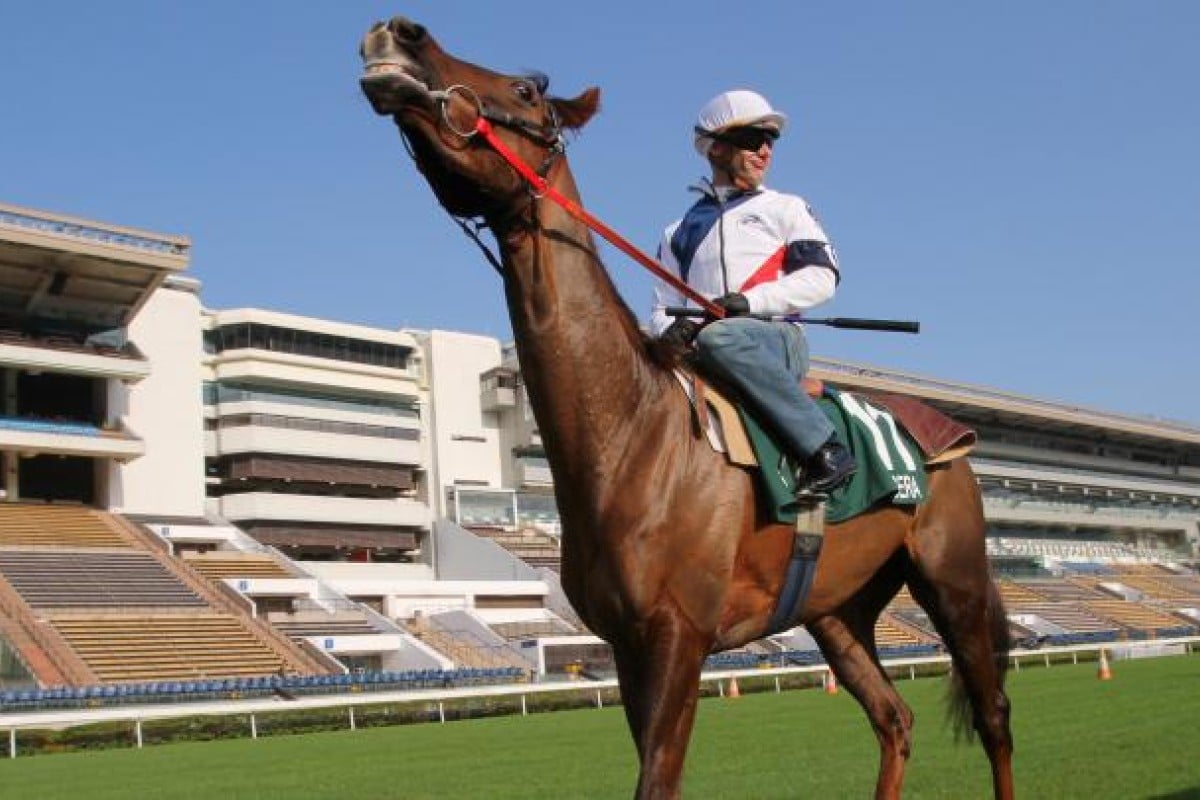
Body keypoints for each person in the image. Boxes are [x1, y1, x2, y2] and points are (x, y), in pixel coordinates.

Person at [649, 89, 856, 500]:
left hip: (775, 341)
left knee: (719, 336)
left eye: (770, 142)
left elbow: (822, 277)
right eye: (752, 139)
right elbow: (661, 307)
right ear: (716, 149)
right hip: (703, 351)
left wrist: (750, 303)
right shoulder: (676, 234)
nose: (765, 151)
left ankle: (825, 449)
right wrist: (669, 331)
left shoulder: (786, 208)